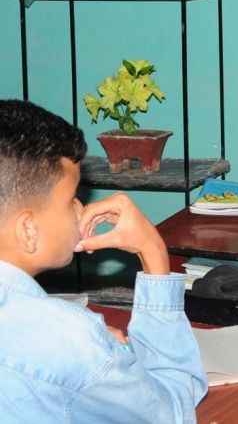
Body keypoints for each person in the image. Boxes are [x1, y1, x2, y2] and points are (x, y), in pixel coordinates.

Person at [0, 99, 207, 422]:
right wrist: (153, 253)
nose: (81, 209)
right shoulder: (66, 339)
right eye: (71, 200)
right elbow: (171, 412)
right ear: (28, 230)